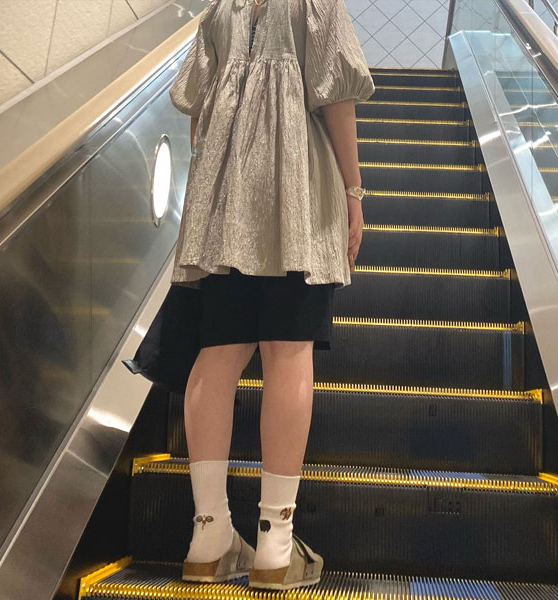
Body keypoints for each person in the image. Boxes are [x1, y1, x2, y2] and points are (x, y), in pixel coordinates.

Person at [168, 0, 374, 590]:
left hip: (224, 204)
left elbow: (197, 113)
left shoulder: (219, 11)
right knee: (287, 352)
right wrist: (354, 193)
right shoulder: (316, 4)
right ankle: (275, 546)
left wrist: (209, 192)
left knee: (217, 355)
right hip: (297, 199)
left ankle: (208, 535)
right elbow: (337, 100)